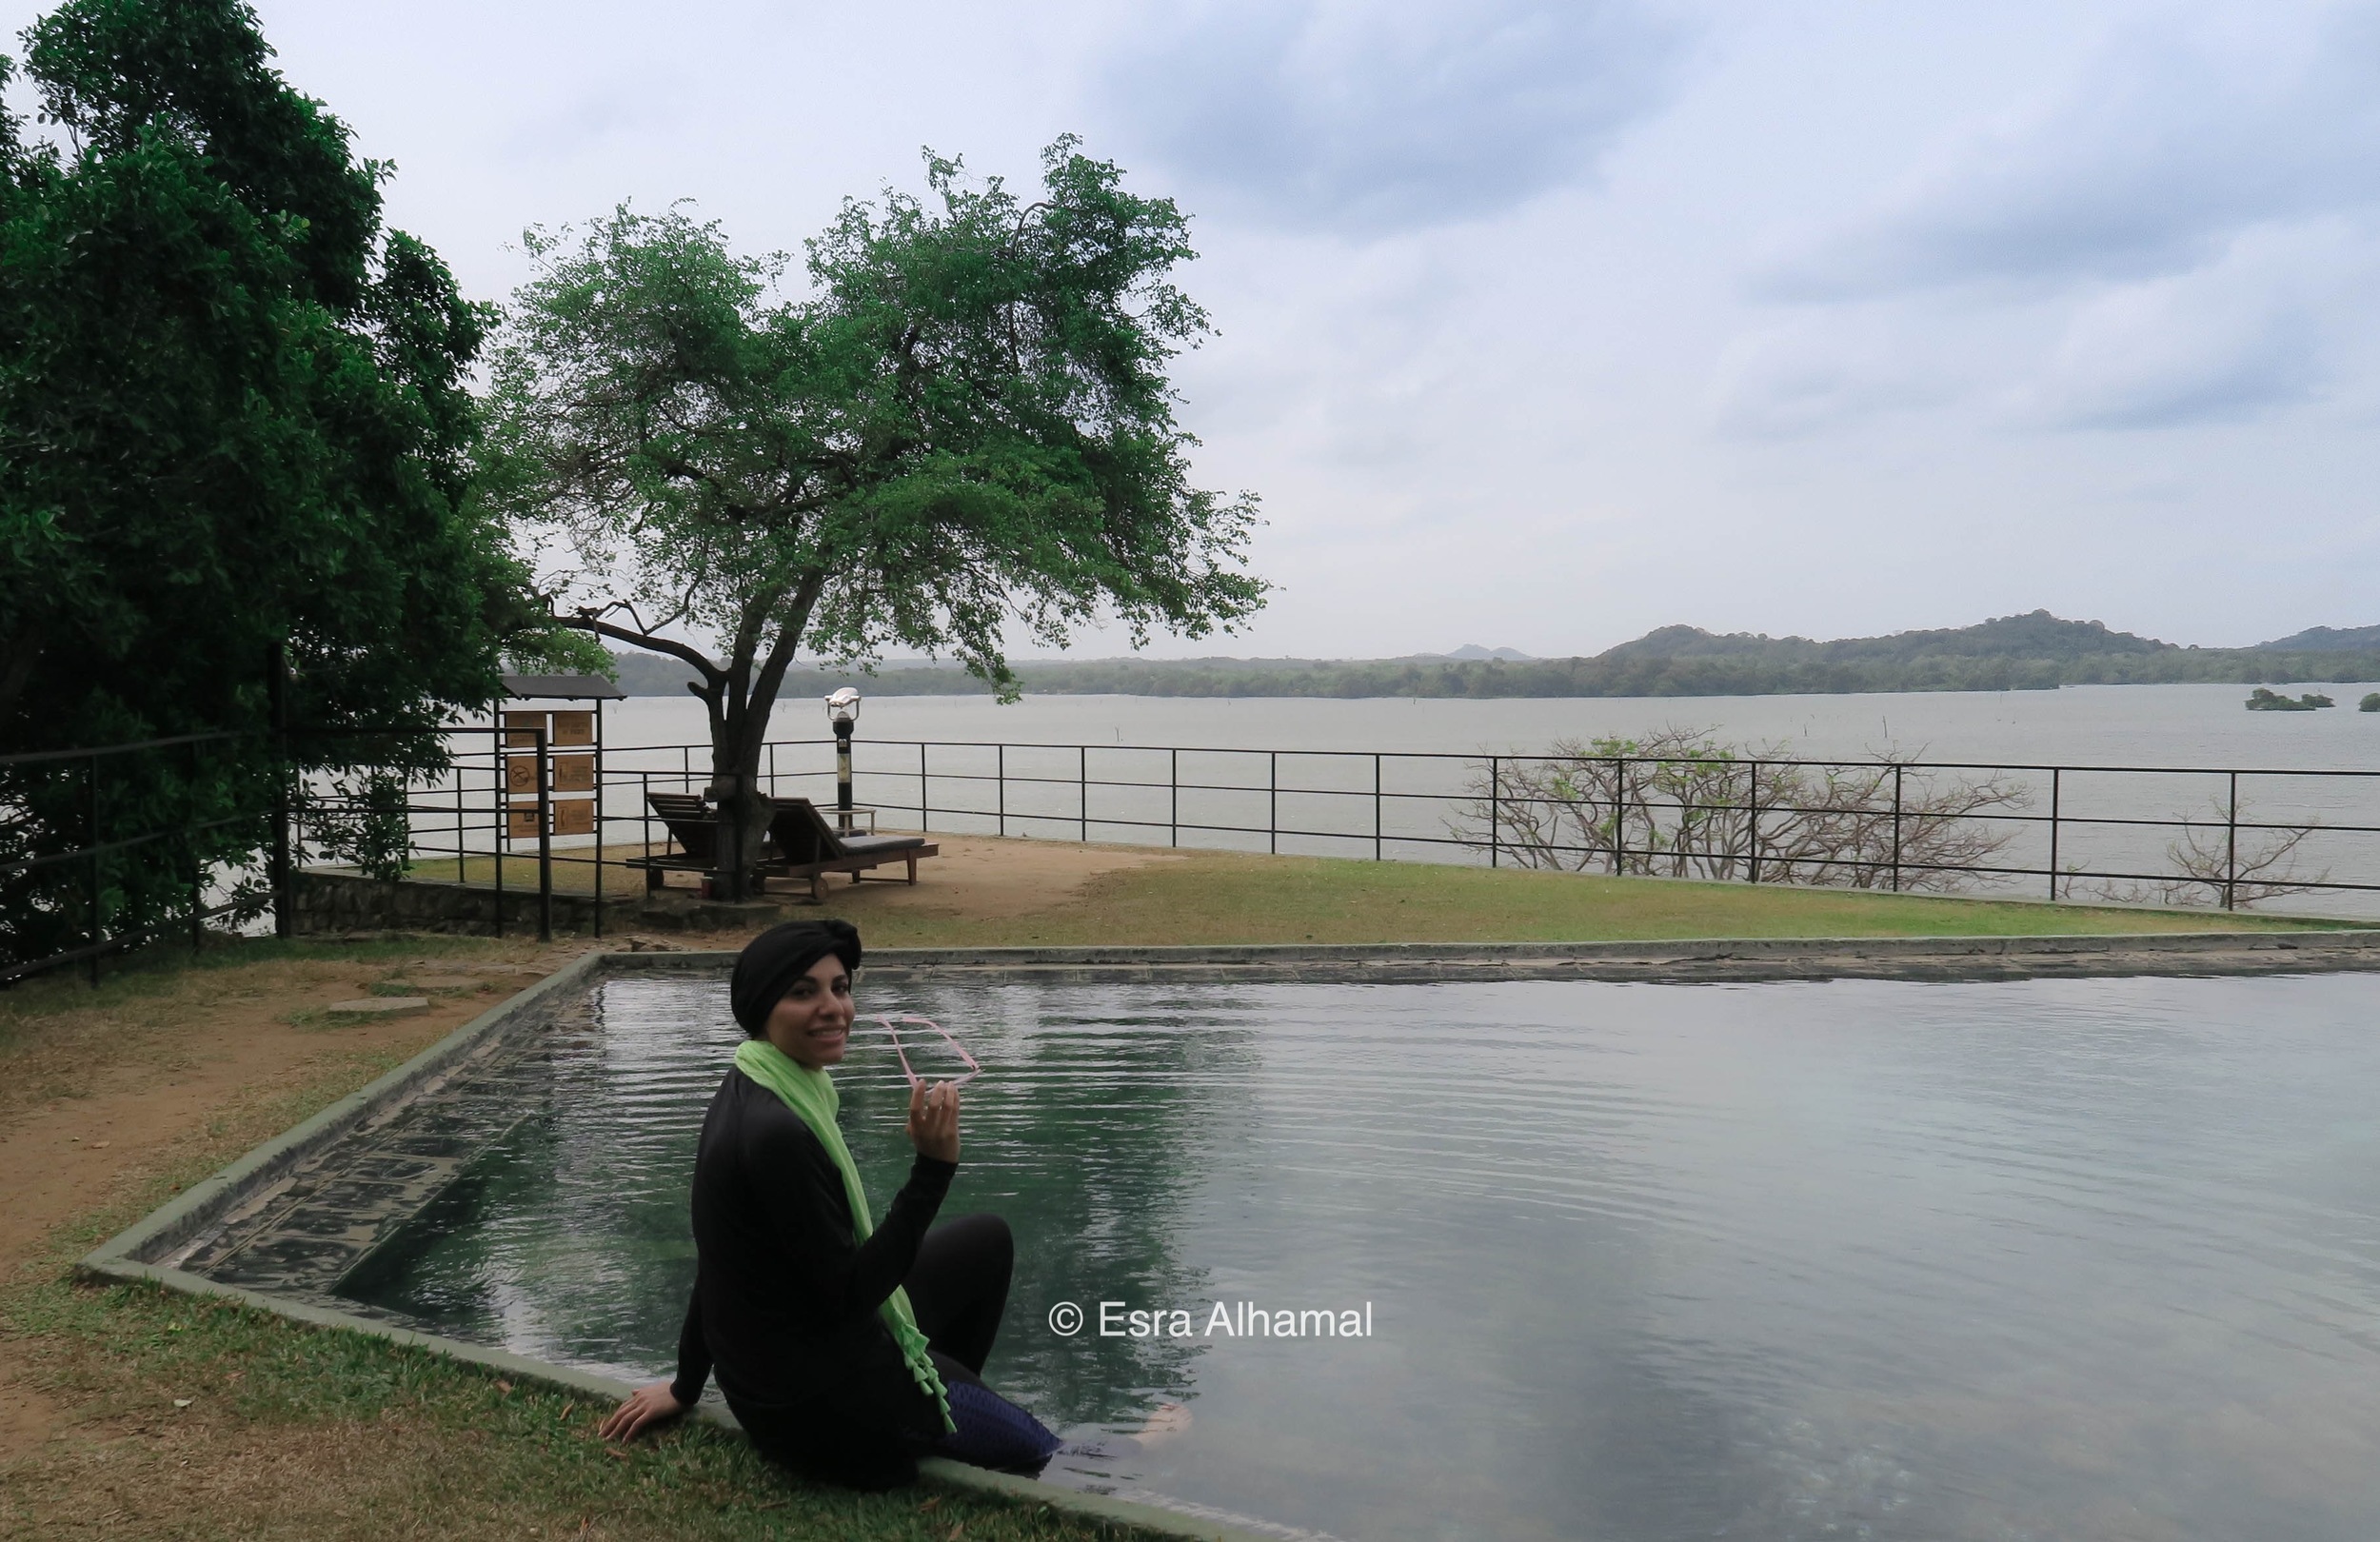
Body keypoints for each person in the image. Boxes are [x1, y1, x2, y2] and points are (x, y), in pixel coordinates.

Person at [598, 919, 1060, 1487]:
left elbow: (724, 1262)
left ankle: (940, 1410)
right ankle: (926, 1416)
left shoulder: (754, 1084)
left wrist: (685, 1385)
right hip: (821, 1409)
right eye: (802, 992)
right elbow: (850, 1297)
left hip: (791, 1365)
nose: (833, 1008)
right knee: (1040, 1449)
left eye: (840, 987)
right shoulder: (777, 1135)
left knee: (987, 1241)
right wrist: (932, 1170)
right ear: (761, 1006)